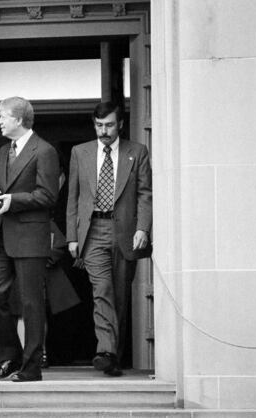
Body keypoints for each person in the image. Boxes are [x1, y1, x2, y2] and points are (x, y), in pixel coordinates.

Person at [66, 101, 152, 377]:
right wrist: (71, 236)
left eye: (109, 125)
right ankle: (105, 351)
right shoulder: (80, 152)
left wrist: (143, 228)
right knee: (101, 291)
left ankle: (114, 355)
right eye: (99, 125)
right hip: (93, 232)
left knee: (119, 295)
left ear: (121, 124)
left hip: (126, 231)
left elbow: (145, 194)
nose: (103, 131)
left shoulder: (136, 152)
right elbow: (73, 197)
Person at [0, 96, 59, 382]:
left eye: (2, 116)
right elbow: (6, 187)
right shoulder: (3, 151)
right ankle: (8, 356)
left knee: (30, 303)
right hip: (1, 233)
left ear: (18, 119)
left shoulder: (45, 150)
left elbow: (48, 195)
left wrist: (12, 199)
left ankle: (31, 366)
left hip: (29, 233)